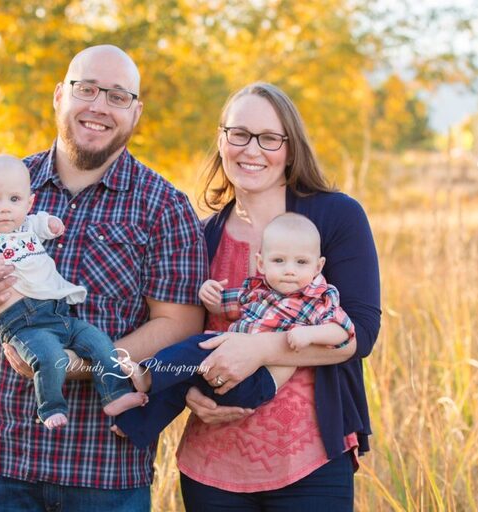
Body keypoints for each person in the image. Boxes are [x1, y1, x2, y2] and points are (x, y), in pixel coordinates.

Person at [0, 45, 207, 511]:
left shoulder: (165, 206)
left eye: (117, 96)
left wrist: (81, 363)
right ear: (59, 96)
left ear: (136, 112)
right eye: (86, 89)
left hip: (103, 466)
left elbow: (181, 324)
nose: (98, 106)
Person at [175, 83, 381, 511]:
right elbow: (185, 340)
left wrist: (259, 349)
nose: (252, 150)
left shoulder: (336, 216)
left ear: (290, 149)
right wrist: (187, 393)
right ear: (221, 140)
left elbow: (360, 334)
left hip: (310, 458)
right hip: (213, 461)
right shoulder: (201, 236)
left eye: (269, 138)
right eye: (239, 134)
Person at [114, 212, 355, 449]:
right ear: (261, 263)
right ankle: (134, 426)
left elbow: (343, 331)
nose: (289, 270)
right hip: (225, 368)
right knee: (179, 383)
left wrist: (310, 334)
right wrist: (209, 293)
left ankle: (149, 375)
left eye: (301, 262)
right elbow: (220, 307)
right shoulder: (256, 291)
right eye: (278, 261)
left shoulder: (315, 299)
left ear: (318, 266)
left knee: (200, 345)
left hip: (257, 382)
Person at [0, 154, 148, 430]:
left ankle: (115, 395)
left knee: (100, 343)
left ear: (28, 203)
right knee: (51, 356)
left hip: (58, 313)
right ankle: (50, 407)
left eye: (14, 200)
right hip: (22, 322)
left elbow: (41, 223)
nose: (5, 209)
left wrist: (51, 225)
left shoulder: (27, 224)